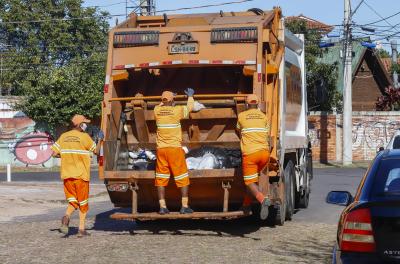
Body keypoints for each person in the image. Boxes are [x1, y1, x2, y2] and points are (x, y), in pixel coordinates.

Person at [51, 114, 103, 237]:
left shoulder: (64, 136)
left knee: (73, 201)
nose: (86, 125)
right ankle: (81, 229)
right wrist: (100, 139)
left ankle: (66, 216)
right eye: (85, 123)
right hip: (81, 176)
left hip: (67, 176)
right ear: (80, 125)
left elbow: (53, 153)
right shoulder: (84, 137)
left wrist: (65, 155)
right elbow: (96, 151)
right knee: (83, 203)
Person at [154, 89, 195, 214]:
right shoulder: (177, 111)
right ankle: (184, 206)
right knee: (182, 177)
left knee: (161, 178)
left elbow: (161, 105)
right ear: (173, 101)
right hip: (174, 150)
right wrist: (190, 96)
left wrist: (167, 99)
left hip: (161, 150)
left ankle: (162, 207)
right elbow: (190, 107)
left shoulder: (156, 110)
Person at [236, 94, 271, 220]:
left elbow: (238, 131)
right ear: (257, 104)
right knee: (253, 181)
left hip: (251, 154)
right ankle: (246, 205)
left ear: (246, 104)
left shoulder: (241, 116)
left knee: (249, 182)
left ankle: (263, 200)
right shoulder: (264, 116)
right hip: (264, 154)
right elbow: (267, 134)